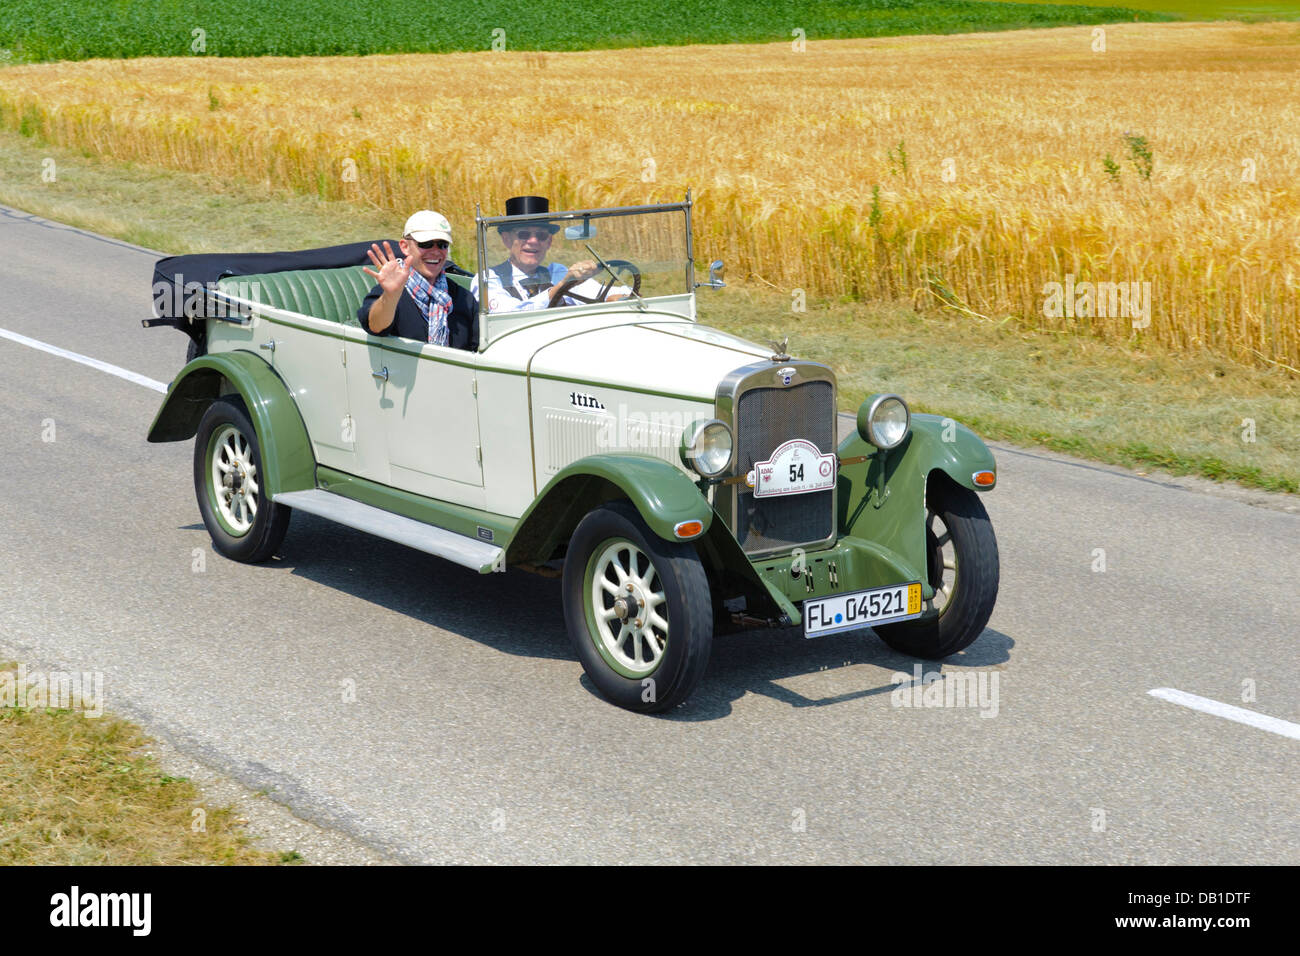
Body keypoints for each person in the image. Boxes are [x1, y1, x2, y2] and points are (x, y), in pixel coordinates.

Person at [471, 195, 626, 313]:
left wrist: (619, 298)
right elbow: (509, 314)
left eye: (541, 236)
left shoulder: (556, 273)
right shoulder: (487, 279)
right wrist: (560, 287)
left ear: (549, 242)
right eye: (524, 234)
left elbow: (604, 292)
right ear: (507, 239)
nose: (533, 241)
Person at [357, 210, 478, 350]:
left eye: (442, 244)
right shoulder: (392, 291)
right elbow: (375, 326)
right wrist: (391, 295)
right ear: (405, 247)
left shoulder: (464, 298)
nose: (435, 251)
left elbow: (478, 350)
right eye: (425, 244)